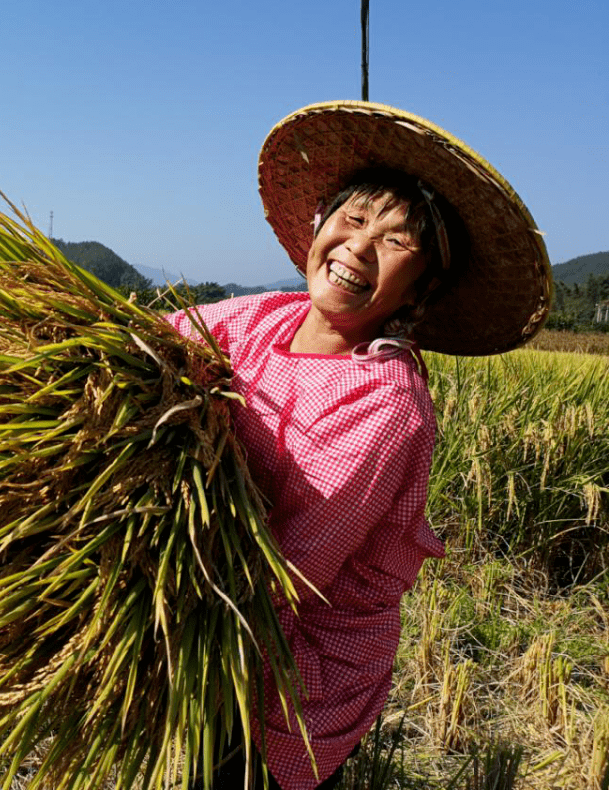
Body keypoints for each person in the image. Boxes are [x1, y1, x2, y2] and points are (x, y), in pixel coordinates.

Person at [169, 101, 552, 789]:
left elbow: (281, 576)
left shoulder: (384, 406)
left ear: (420, 288)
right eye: (352, 218)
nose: (358, 246)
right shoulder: (266, 316)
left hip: (288, 662)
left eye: (395, 241)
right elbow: (153, 345)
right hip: (214, 614)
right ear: (320, 224)